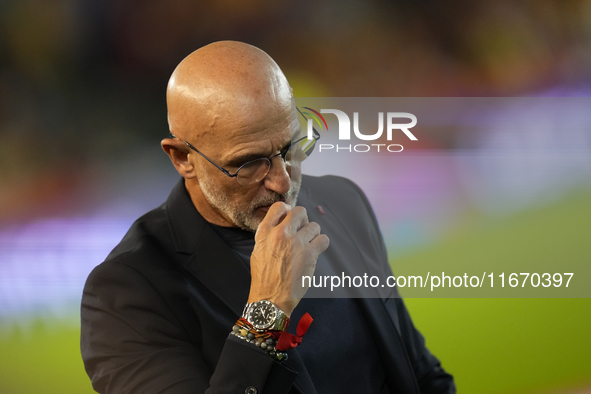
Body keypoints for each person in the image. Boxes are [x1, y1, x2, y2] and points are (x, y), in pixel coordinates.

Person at [80, 40, 455, 394]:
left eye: (291, 147)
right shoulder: (127, 292)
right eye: (247, 163)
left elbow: (420, 374)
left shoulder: (343, 203)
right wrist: (268, 312)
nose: (281, 181)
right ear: (182, 158)